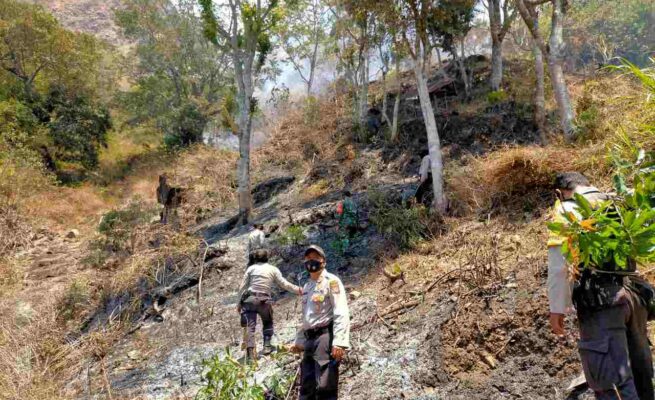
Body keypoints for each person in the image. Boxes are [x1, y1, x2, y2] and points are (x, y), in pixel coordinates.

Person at [548, 172, 653, 400]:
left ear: (559, 193)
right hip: (634, 297)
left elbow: (560, 263)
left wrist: (557, 308)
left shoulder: (567, 209)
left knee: (612, 385)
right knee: (641, 378)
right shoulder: (618, 201)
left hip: (602, 302)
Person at [290, 245, 350, 400]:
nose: (311, 261)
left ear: (323, 261)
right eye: (308, 258)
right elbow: (306, 317)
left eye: (315, 258)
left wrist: (340, 341)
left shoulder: (332, 282)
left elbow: (341, 311)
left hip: (325, 337)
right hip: (309, 339)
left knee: (325, 384)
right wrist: (299, 341)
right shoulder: (307, 286)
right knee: (307, 384)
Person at [237, 249, 302, 363]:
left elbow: (242, 287)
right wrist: (299, 290)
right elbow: (284, 284)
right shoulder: (273, 269)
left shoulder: (251, 269)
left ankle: (250, 355)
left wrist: (238, 302)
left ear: (256, 258)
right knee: (267, 321)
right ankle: (267, 346)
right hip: (264, 300)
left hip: (249, 299)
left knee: (250, 327)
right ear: (267, 258)